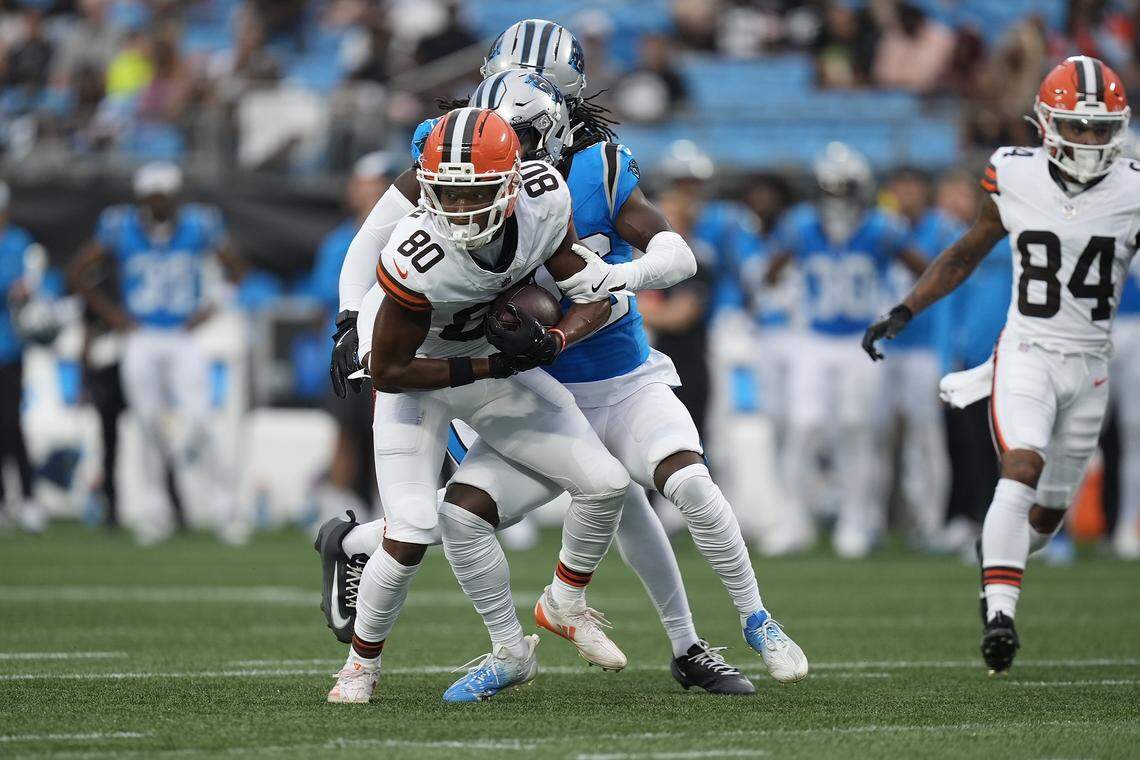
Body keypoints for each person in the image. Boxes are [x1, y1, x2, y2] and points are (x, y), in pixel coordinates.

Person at [324, 31, 805, 701]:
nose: (504, 151)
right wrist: (353, 316)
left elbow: (604, 281)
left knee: (619, 490)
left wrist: (597, 295)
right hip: (462, 370)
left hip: (553, 367)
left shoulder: (563, 184)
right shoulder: (446, 182)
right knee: (435, 523)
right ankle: (392, 637)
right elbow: (380, 261)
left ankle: (675, 637)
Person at [327, 107, 632, 704]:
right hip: (416, 376)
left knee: (606, 482)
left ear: (514, 184)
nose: (460, 210)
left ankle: (557, 608)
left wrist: (557, 337)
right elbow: (390, 369)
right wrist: (496, 363)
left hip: (485, 363)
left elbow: (590, 286)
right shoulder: (417, 254)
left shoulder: (546, 201)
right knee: (412, 528)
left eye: (476, 195)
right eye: (447, 194)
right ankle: (360, 666)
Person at [863, 57, 1137, 674]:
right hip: (1027, 353)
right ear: (1045, 124)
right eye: (1077, 126)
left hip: (1091, 367)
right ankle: (1000, 617)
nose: (1090, 141)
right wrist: (905, 309)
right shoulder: (1012, 174)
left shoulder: (1132, 189)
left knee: (1048, 512)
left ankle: (999, 561)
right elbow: (965, 253)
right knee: (1020, 465)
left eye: (1100, 129)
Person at [765, 143, 927, 558]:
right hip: (814, 337)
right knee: (802, 428)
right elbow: (770, 272)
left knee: (857, 430)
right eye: (830, 189)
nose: (837, 199)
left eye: (844, 189)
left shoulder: (881, 227)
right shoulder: (800, 225)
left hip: (860, 339)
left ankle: (856, 521)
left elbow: (922, 269)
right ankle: (794, 520)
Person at [69, 162, 241, 544]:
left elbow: (236, 268)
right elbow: (78, 271)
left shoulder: (199, 224)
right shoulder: (119, 225)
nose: (158, 205)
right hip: (142, 336)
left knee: (199, 419)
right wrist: (114, 316)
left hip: (182, 336)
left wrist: (213, 307)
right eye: (152, 198)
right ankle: (154, 512)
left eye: (164, 197)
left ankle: (225, 508)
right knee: (146, 425)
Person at [883, 167, 961, 547]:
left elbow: (942, 279)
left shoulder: (942, 228)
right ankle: (899, 519)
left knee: (927, 437)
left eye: (912, 186)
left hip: (926, 345)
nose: (906, 193)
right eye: (900, 185)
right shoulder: (880, 226)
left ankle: (932, 520)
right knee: (879, 437)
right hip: (888, 348)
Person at [313, 151, 391, 518]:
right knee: (347, 433)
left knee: (389, 433)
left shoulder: (407, 232)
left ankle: (388, 509)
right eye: (369, 184)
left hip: (394, 348)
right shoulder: (338, 242)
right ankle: (337, 510)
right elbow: (328, 300)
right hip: (350, 350)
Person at [0, 182, 45, 532]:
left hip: (9, 349)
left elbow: (30, 289)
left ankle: (28, 498)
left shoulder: (19, 244)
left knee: (11, 425)